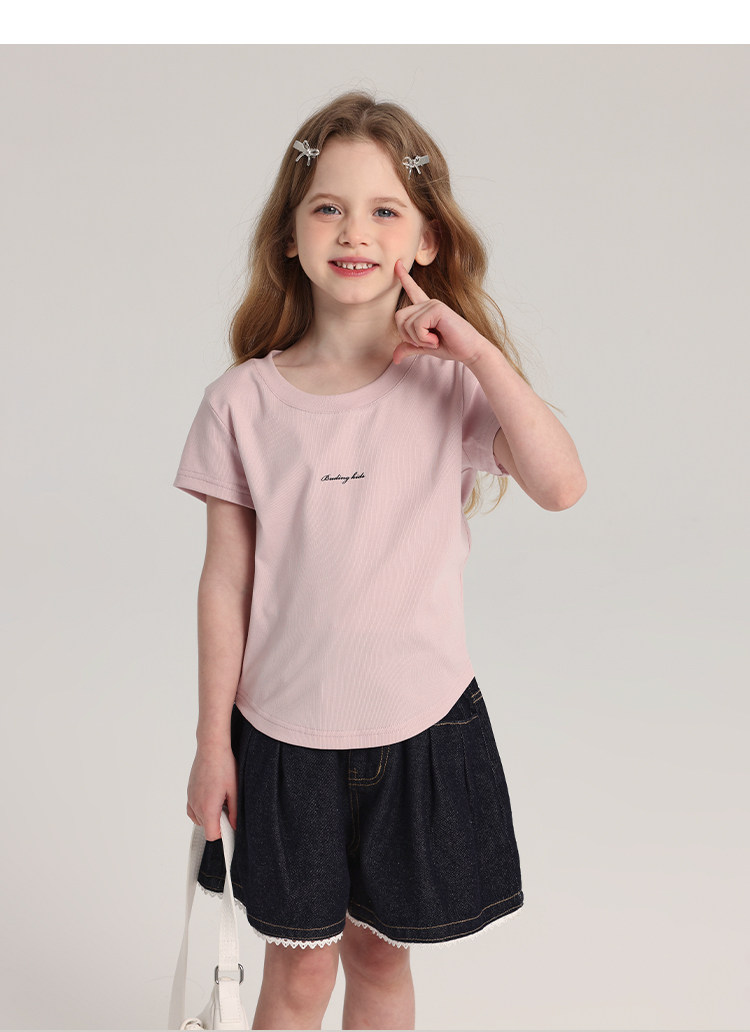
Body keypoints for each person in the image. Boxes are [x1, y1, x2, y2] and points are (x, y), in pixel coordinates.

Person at [172, 90, 586, 1031]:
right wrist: (211, 744)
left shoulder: (450, 388)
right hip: (285, 740)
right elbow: (225, 582)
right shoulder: (242, 402)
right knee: (296, 980)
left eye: (384, 210)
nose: (354, 231)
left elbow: (562, 485)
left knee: (381, 961)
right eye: (328, 206)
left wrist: (477, 353)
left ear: (426, 240)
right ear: (290, 236)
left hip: (420, 729)